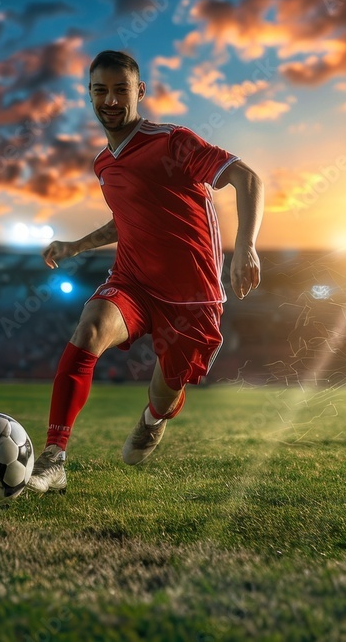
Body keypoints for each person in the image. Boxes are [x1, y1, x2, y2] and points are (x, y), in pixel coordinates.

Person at [27, 50, 263, 493]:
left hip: (193, 297)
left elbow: (247, 178)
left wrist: (246, 246)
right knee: (89, 329)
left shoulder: (173, 142)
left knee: (163, 392)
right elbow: (128, 217)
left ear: (140, 92)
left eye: (121, 90)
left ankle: (154, 418)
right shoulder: (103, 163)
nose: (111, 100)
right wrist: (77, 245)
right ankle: (54, 459)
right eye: (101, 90)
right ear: (90, 95)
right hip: (133, 283)